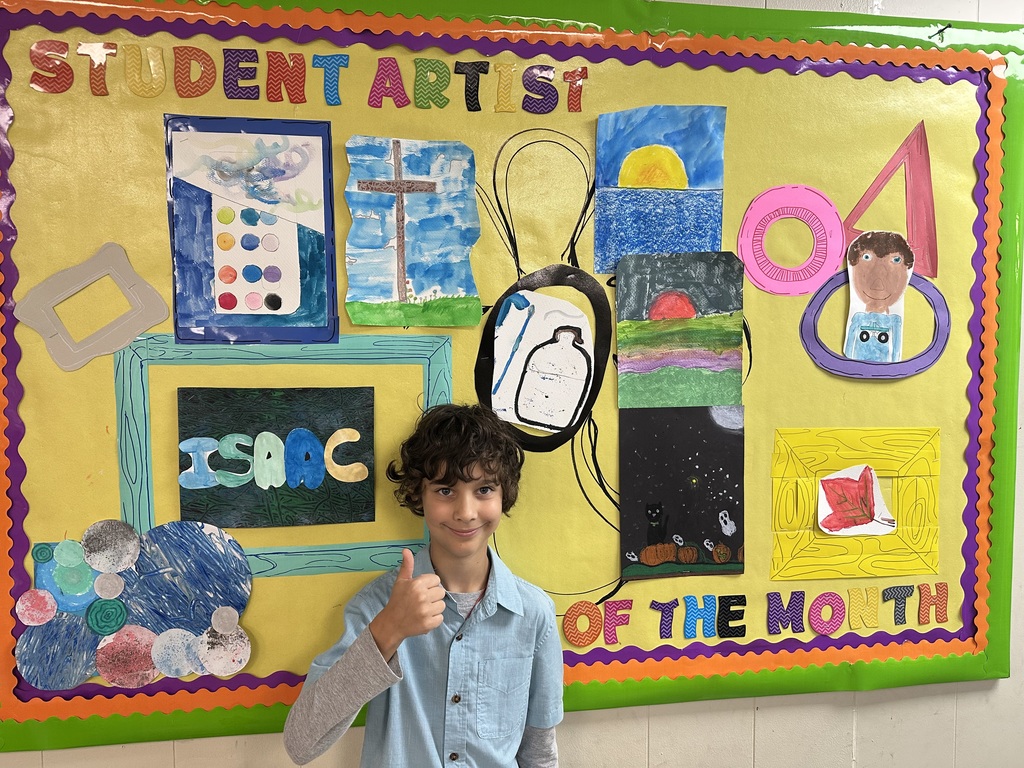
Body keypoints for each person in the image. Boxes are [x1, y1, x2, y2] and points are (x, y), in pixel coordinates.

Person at [283, 403, 564, 767]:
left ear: (503, 494)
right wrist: (387, 632)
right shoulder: (378, 605)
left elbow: (539, 754)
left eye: (483, 489)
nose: (465, 512)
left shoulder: (534, 613)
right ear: (419, 494)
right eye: (446, 490)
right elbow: (300, 743)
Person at [843, 230, 915, 363]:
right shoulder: (858, 319)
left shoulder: (895, 323)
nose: (878, 284)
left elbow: (895, 354)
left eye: (895, 260)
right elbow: (849, 350)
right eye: (866, 258)